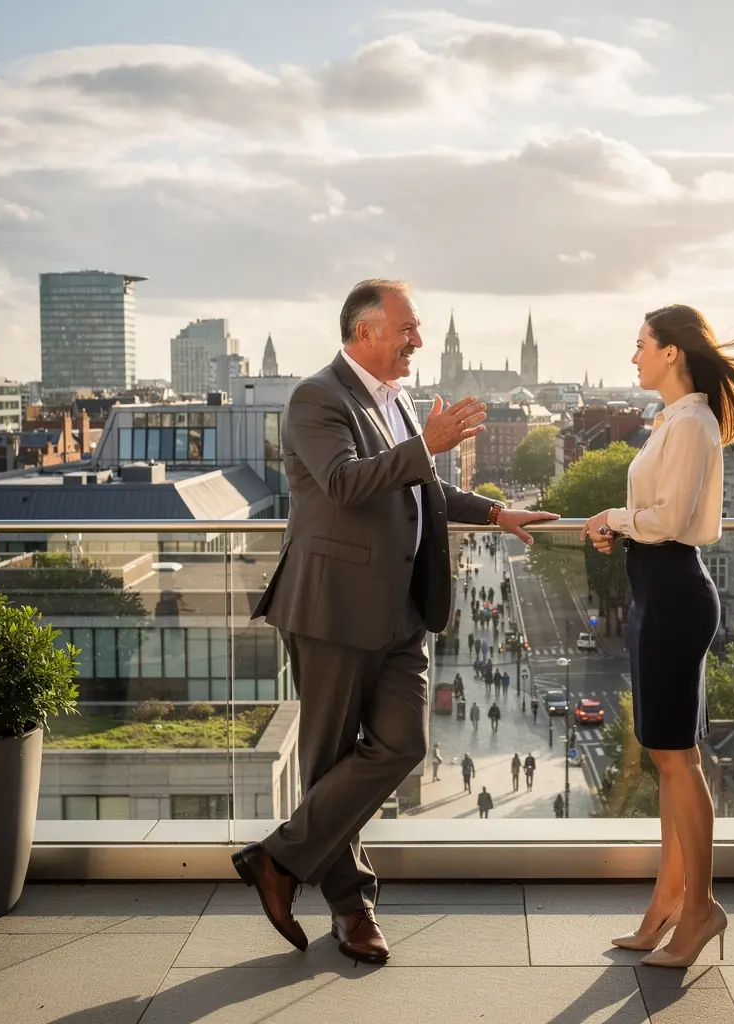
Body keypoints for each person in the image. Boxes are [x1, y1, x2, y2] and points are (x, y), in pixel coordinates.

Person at [236, 279, 558, 967]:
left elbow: (423, 489)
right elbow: (347, 482)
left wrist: (498, 513)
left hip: (401, 610)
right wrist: (431, 442)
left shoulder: (397, 399)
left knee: (403, 745)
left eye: (419, 330)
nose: (419, 339)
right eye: (409, 328)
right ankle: (353, 909)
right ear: (366, 331)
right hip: (333, 609)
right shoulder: (316, 398)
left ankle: (278, 860)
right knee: (327, 763)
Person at [581, 304, 734, 968]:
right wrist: (626, 524)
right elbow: (660, 515)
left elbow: (667, 518)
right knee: (672, 758)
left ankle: (699, 909)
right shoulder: (675, 421)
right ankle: (668, 902)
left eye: (640, 344)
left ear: (672, 352)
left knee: (678, 760)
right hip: (657, 593)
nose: (633, 356)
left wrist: (614, 514)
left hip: (673, 596)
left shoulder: (692, 423)